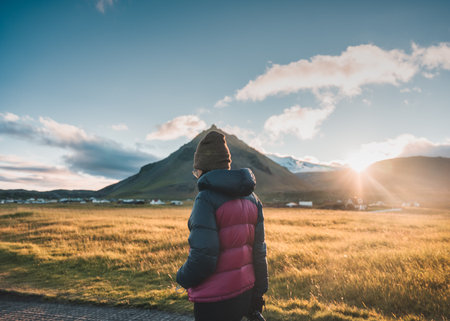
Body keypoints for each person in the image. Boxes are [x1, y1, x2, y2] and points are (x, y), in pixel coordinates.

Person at [176, 130, 269, 321]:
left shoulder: (206, 198)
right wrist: (258, 294)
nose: (196, 175)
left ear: (203, 168)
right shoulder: (253, 199)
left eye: (196, 171)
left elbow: (203, 256)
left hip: (214, 300)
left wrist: (182, 278)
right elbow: (259, 252)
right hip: (244, 292)